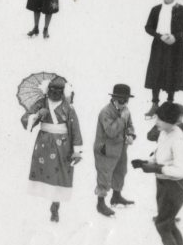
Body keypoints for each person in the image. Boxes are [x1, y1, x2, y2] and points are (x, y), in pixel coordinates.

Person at [131, 102, 183, 245]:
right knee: (169, 223)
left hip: (175, 187)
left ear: (169, 120)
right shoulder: (165, 133)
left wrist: (158, 169)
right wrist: (146, 162)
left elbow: (181, 170)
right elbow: (160, 154)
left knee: (162, 225)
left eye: (160, 118)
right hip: (164, 185)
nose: (156, 121)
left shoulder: (179, 140)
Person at [23, 78, 82, 222]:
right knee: (45, 172)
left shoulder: (68, 107)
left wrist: (77, 151)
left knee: (60, 174)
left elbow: (75, 129)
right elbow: (26, 119)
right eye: (52, 90)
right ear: (47, 90)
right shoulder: (41, 103)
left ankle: (55, 205)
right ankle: (39, 205)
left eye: (58, 91)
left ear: (64, 92)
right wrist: (38, 115)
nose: (54, 93)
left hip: (63, 145)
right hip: (44, 142)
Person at [143, 0, 183, 117]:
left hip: (175, 46)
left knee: (172, 72)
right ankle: (155, 103)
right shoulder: (156, 9)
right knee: (156, 72)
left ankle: (169, 103)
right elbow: (148, 27)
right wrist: (159, 36)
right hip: (159, 45)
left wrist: (175, 37)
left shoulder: (181, 10)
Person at [93, 83, 136, 217]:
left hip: (121, 147)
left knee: (120, 171)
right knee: (105, 175)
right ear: (114, 98)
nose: (124, 103)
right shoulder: (105, 112)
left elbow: (130, 125)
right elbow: (111, 131)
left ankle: (116, 196)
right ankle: (100, 203)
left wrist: (130, 135)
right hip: (106, 149)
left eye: (126, 100)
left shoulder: (125, 110)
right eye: (121, 100)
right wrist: (122, 119)